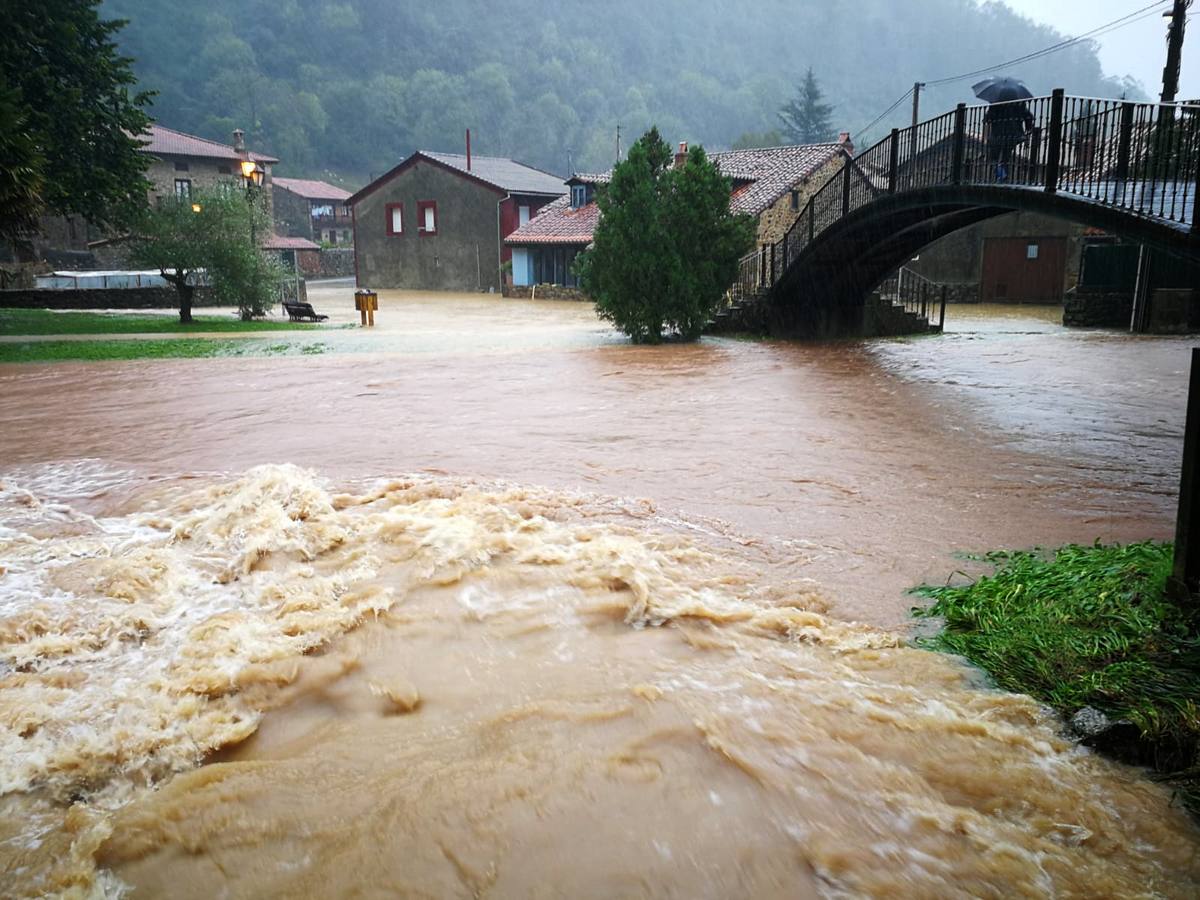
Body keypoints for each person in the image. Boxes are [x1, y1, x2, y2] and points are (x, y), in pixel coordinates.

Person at [984, 97, 1034, 183]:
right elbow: (1029, 116)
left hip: (998, 134)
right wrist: (1028, 129)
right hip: (1014, 134)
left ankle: (1002, 175)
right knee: (1006, 157)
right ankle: (1004, 176)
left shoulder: (996, 102)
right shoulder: (1019, 102)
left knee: (993, 158)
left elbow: (988, 118)